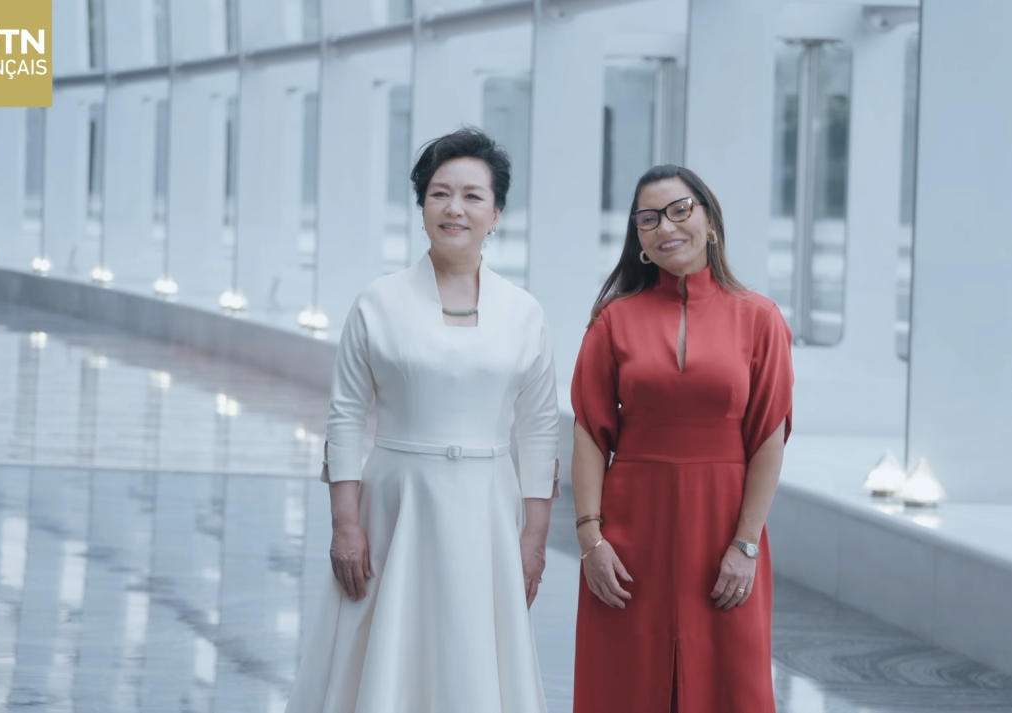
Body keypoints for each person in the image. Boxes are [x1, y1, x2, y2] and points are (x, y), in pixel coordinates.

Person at [285, 127, 560, 713]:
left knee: (475, 651)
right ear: (421, 207)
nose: (454, 208)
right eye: (439, 193)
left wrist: (534, 538)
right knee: (382, 647)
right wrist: (344, 525)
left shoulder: (524, 312)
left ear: (497, 212)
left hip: (488, 506)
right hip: (394, 505)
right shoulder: (377, 302)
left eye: (471, 196)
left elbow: (538, 432)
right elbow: (345, 417)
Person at [569, 164, 794, 712]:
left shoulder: (761, 319)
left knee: (729, 683)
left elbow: (768, 436)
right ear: (639, 238)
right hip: (630, 533)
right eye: (648, 219)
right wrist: (591, 540)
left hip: (723, 531)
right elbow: (590, 434)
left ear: (709, 221)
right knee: (622, 683)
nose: (665, 226)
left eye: (679, 210)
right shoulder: (612, 321)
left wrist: (745, 544)